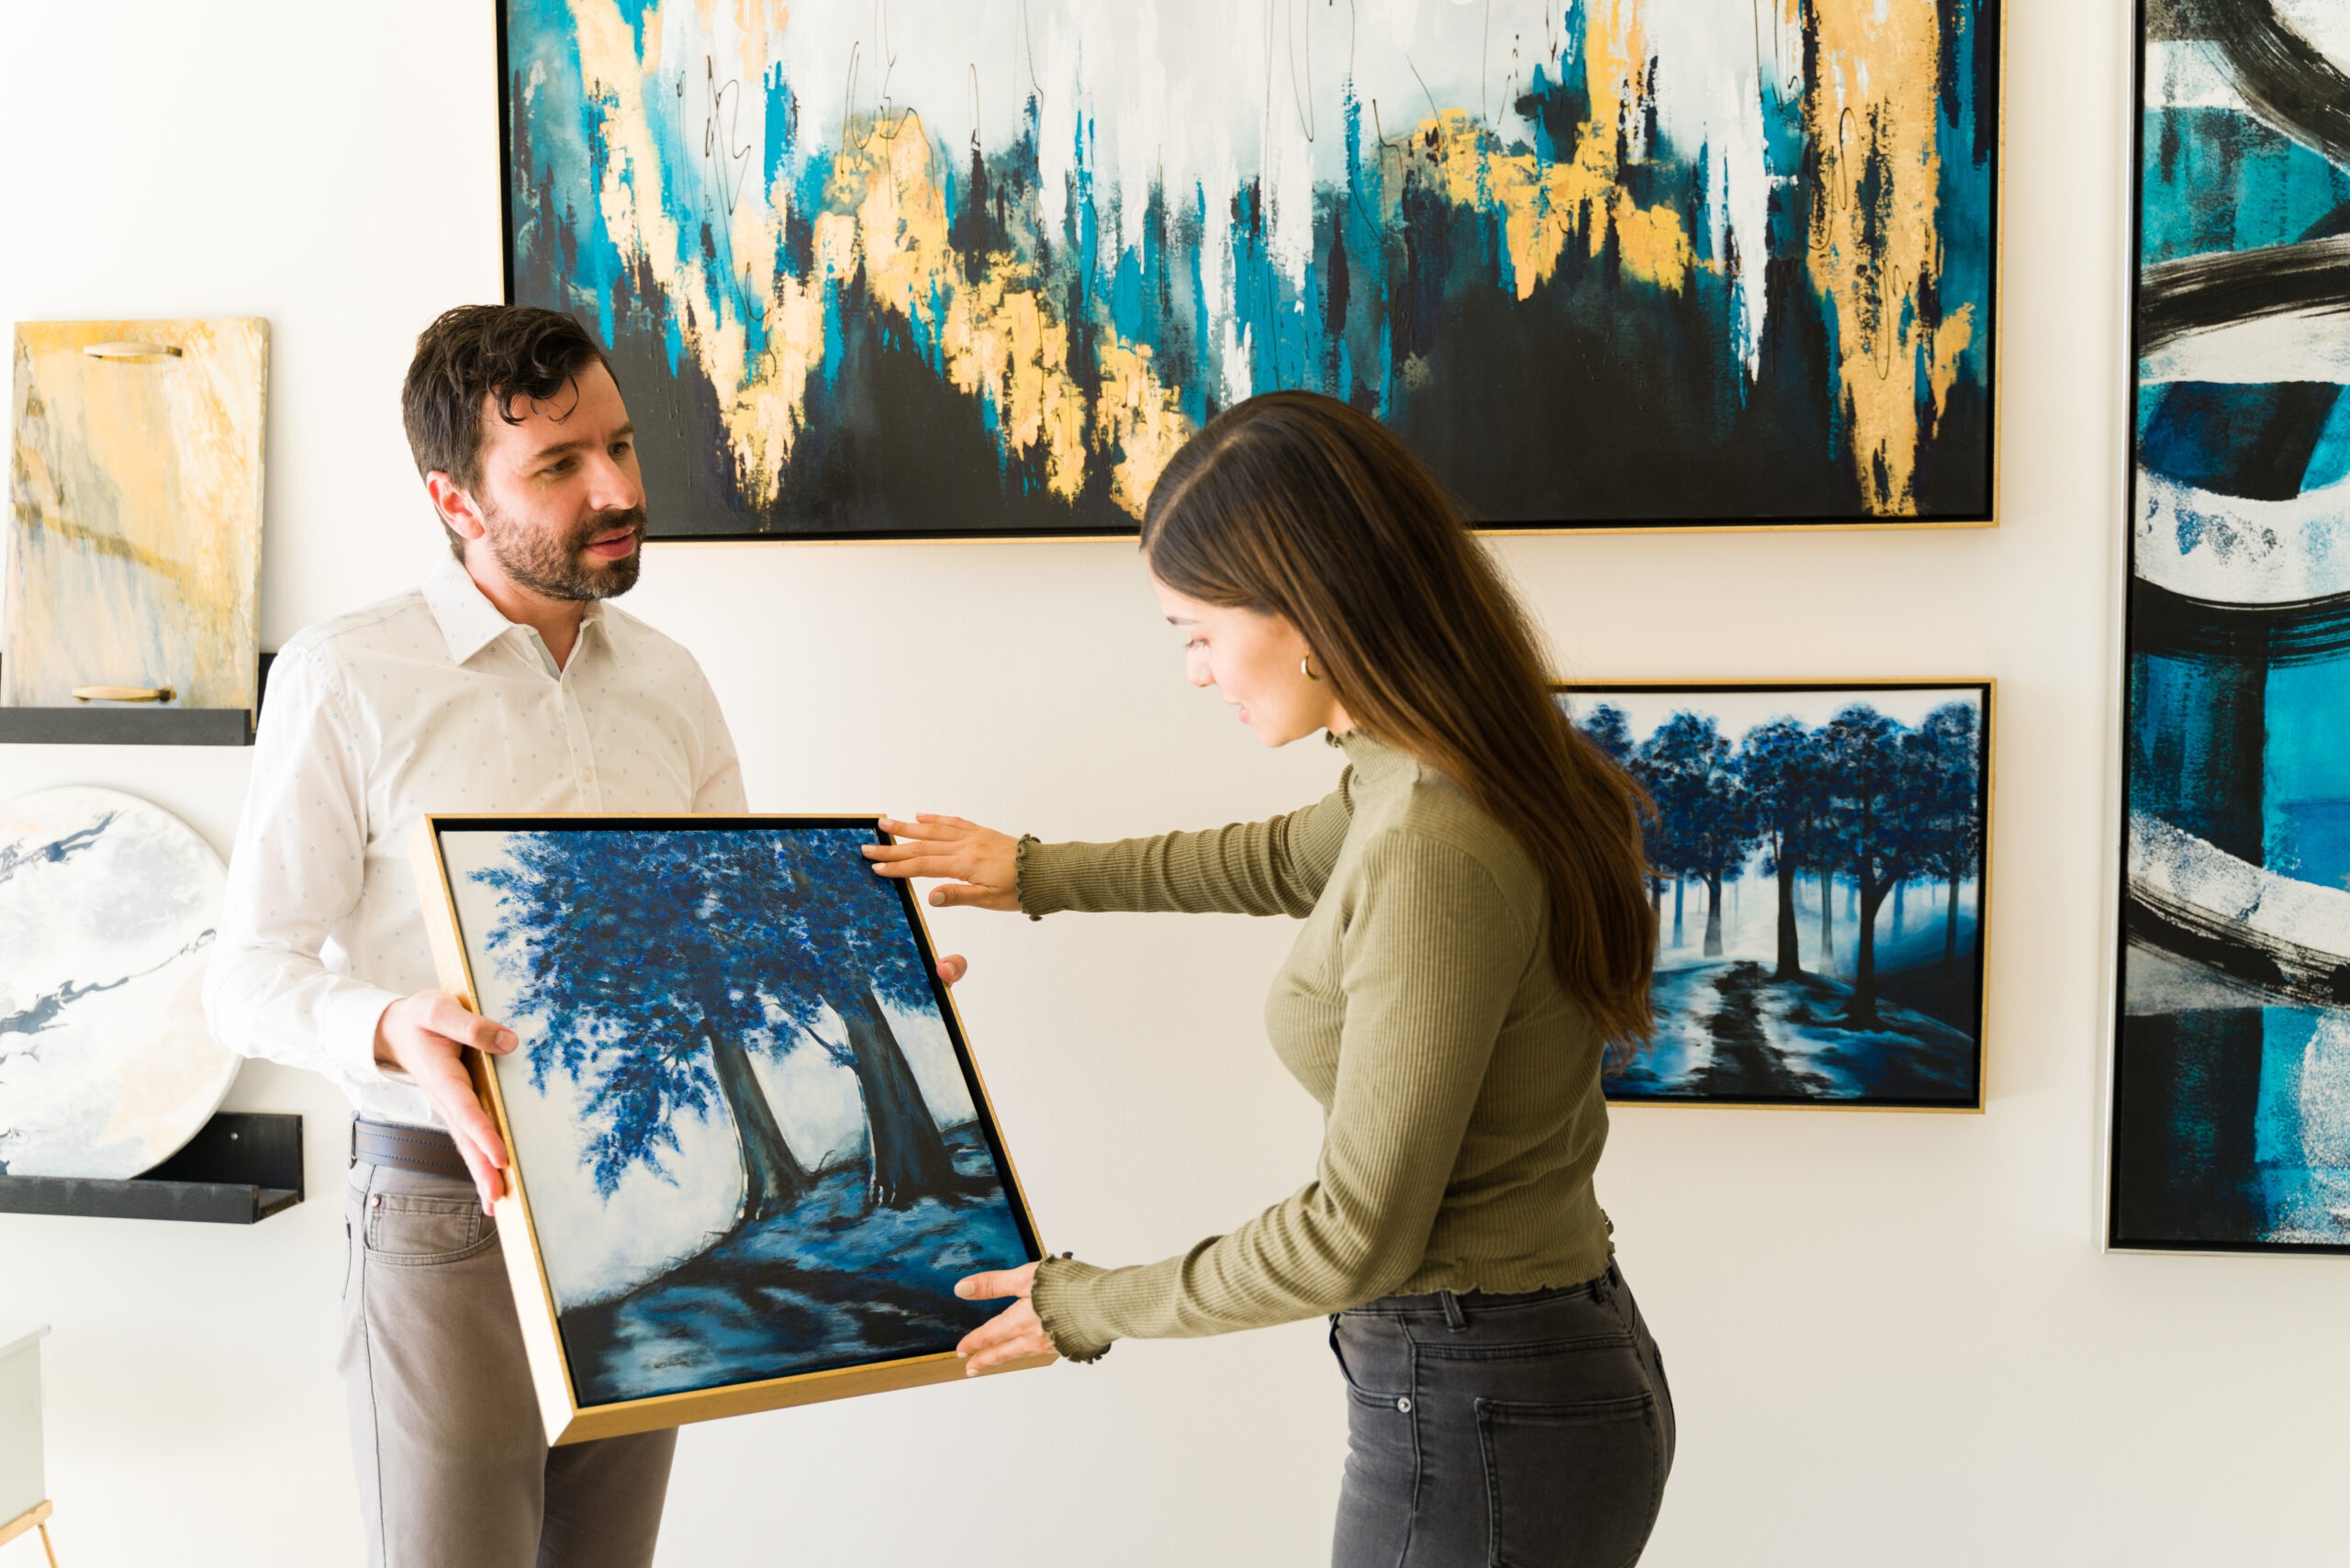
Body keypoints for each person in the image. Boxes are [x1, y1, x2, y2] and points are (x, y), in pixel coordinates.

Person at [203, 305, 963, 1568]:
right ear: (454, 500)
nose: (615, 489)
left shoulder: (669, 679)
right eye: (557, 467)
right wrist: (391, 1021)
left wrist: (857, 980)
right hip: (450, 1208)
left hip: (642, 1215)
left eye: (616, 444)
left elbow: (723, 924)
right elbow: (243, 973)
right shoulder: (348, 677)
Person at [864, 389, 1675, 1566]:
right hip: (1512, 1381)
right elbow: (1271, 856)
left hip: (1481, 1403)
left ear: (1304, 611)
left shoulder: (1437, 842)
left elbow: (1354, 1235)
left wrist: (1084, 1303)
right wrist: (1033, 872)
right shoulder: (1421, 769)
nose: (1195, 671)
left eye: (1195, 629)